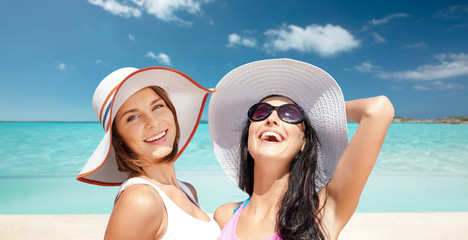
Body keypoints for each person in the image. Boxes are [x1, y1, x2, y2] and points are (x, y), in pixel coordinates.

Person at [209, 59, 394, 240]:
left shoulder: (323, 211)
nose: (271, 119)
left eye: (290, 114)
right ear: (248, 136)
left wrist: (319, 116)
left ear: (303, 142)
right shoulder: (225, 216)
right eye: (260, 112)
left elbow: (378, 109)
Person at [77, 66, 221, 239]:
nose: (152, 122)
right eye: (132, 117)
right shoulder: (140, 200)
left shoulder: (187, 190)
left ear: (172, 111)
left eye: (157, 106)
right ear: (118, 138)